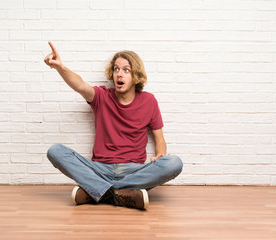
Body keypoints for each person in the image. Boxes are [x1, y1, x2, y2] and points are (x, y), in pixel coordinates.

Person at [44, 41, 183, 210]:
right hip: (99, 168)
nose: (119, 74)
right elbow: (80, 85)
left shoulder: (149, 101)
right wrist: (60, 67)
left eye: (126, 70)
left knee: (174, 162)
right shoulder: (102, 96)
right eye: (116, 69)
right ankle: (121, 195)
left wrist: (160, 155)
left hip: (133, 170)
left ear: (135, 75)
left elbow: (159, 138)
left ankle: (98, 191)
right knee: (55, 151)